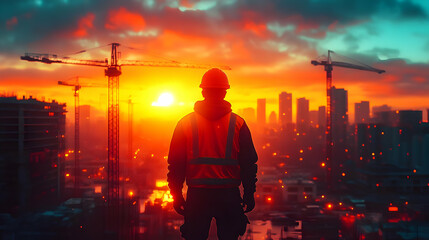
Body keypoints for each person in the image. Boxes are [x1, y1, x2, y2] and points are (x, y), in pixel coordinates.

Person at [167, 68, 258, 240]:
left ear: (203, 91)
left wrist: (176, 195)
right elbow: (248, 164)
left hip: (198, 197)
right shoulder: (238, 124)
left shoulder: (185, 123)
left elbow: (176, 164)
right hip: (229, 197)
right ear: (225, 92)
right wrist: (249, 193)